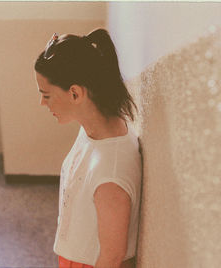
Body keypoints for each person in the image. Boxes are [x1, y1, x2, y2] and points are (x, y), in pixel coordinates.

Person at [34, 28, 142, 268]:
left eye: (46, 95)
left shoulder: (110, 173)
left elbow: (112, 257)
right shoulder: (94, 128)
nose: (41, 102)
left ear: (75, 93)